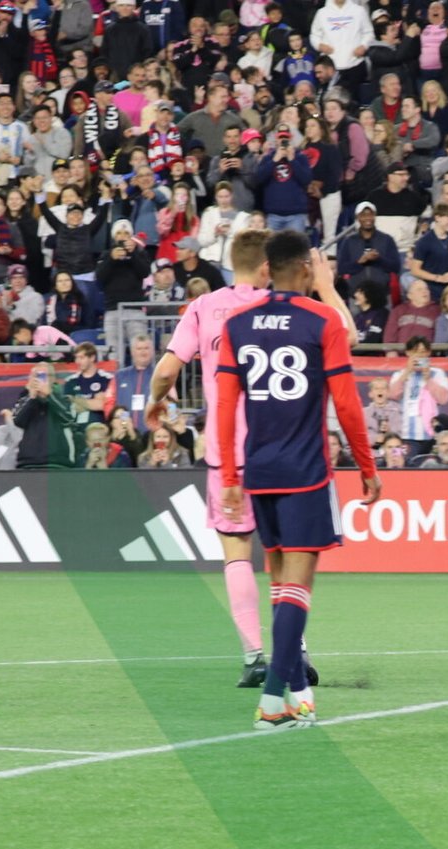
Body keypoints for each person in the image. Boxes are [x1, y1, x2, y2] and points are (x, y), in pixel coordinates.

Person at [215, 229, 380, 730]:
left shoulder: (237, 323)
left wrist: (230, 475)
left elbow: (225, 405)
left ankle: (300, 695)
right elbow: (347, 405)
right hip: (306, 471)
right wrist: (367, 467)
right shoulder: (323, 320)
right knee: (298, 586)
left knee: (281, 584)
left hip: (259, 470)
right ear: (307, 269)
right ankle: (271, 702)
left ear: (267, 268)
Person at [150, 230, 285, 688]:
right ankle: (296, 650)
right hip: (285, 447)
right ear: (267, 266)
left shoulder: (204, 307)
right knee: (286, 555)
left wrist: (155, 400)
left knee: (237, 554)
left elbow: (167, 371)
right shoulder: (285, 306)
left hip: (229, 450)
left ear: (232, 264)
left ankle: (254, 656)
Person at [387, 336, 448, 457]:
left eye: (423, 352)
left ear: (428, 353)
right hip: (405, 436)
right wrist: (407, 372)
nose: (419, 356)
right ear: (408, 353)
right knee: (400, 459)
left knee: (430, 465)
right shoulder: (399, 374)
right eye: (415, 352)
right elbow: (392, 395)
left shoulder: (438, 373)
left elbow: (444, 399)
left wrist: (428, 379)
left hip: (432, 436)